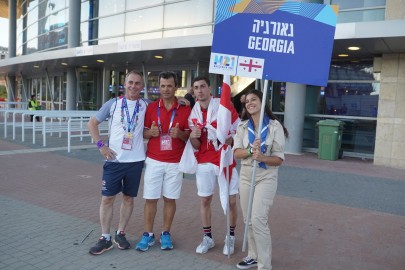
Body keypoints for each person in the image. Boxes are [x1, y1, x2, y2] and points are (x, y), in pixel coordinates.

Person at [87, 70, 149, 255]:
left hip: (136, 161)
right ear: (124, 84)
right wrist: (101, 146)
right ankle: (105, 237)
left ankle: (120, 233)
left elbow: (167, 105)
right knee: (107, 199)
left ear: (142, 86)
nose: (133, 86)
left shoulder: (146, 105)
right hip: (114, 160)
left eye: (137, 83)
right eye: (130, 82)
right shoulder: (113, 104)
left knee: (129, 198)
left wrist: (185, 100)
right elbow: (92, 123)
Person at [232, 89, 288, 270]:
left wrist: (263, 158)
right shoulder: (242, 126)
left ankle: (264, 264)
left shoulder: (274, 126)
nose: (249, 103)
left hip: (266, 176)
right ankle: (253, 255)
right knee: (248, 219)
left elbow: (279, 159)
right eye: (247, 101)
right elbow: (236, 153)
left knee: (258, 219)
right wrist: (250, 151)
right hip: (247, 175)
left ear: (263, 102)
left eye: (253, 99)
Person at [135, 71, 191, 251]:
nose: (166, 89)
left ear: (176, 87)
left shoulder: (185, 109)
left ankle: (166, 233)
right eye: (162, 85)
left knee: (169, 199)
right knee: (150, 198)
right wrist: (149, 133)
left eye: (169, 85)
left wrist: (181, 134)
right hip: (154, 160)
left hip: (175, 162)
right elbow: (141, 132)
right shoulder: (150, 108)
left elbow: (192, 136)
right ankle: (148, 234)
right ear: (158, 87)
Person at [187, 76, 239, 255]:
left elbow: (237, 132)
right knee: (204, 200)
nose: (200, 90)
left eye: (203, 86)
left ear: (210, 89)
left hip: (225, 159)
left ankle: (230, 237)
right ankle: (207, 238)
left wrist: (226, 137)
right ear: (193, 91)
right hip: (204, 160)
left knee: (232, 201)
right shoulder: (193, 114)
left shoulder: (223, 107)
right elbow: (196, 145)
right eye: (196, 87)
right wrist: (194, 136)